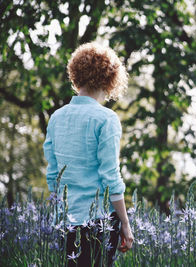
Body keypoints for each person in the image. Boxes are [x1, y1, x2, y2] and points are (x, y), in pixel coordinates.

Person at [43, 42, 134, 266]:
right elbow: (111, 176)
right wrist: (125, 222)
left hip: (65, 222)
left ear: (75, 75)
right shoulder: (106, 119)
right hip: (99, 222)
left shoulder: (56, 118)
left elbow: (53, 175)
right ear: (109, 79)